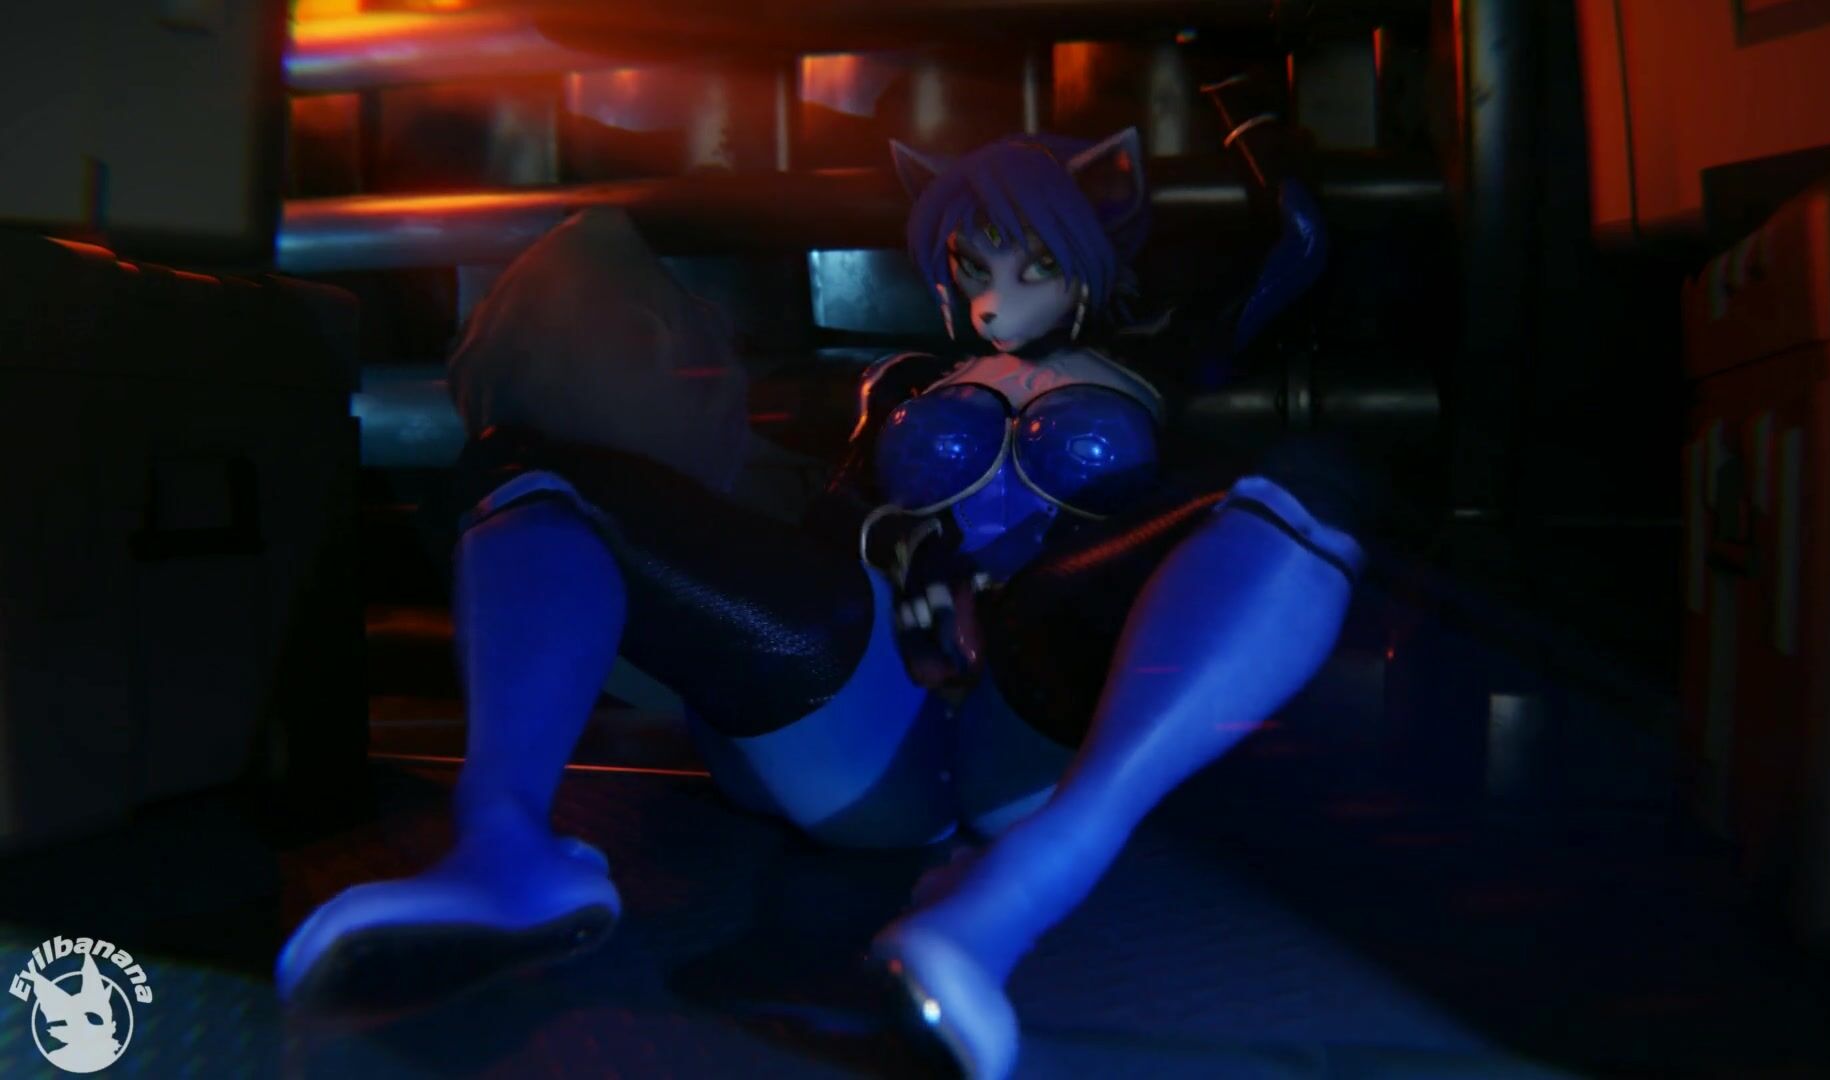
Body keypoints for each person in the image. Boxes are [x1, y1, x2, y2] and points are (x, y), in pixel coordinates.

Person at [276, 126, 1361, 1080]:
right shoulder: (905, 387)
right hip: (875, 717)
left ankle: (1018, 893)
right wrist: (893, 550)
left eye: (1033, 261)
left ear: (1089, 256)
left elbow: (1296, 248)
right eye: (971, 263)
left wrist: (1253, 127)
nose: (996, 293)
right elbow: (836, 525)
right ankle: (501, 846)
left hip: (1037, 721)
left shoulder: (1156, 367)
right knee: (530, 469)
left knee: (1302, 491)